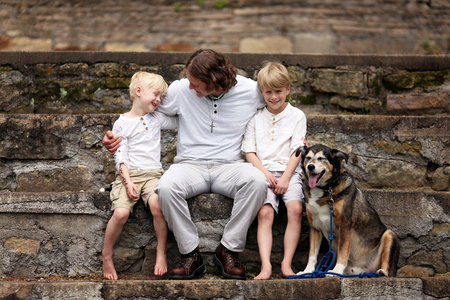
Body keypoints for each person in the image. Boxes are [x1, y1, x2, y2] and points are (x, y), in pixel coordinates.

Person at [103, 49, 268, 280]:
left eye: (195, 83)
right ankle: (190, 254)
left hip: (230, 165)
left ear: (214, 81)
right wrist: (113, 138)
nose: (189, 87)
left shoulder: (251, 91)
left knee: (258, 182)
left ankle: (228, 250)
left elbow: (277, 107)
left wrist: (295, 138)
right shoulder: (181, 89)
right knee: (166, 188)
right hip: (189, 165)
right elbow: (141, 111)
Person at [102, 71, 177, 280]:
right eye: (155, 94)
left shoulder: (157, 118)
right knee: (121, 214)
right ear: (138, 91)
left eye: (161, 96)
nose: (159, 100)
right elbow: (120, 157)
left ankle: (161, 251)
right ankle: (107, 254)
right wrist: (127, 183)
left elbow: (180, 119)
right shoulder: (121, 123)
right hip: (129, 174)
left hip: (153, 175)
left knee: (158, 205)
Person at [241, 62, 307, 280]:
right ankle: (266, 266)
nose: (274, 96)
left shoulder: (297, 116)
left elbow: (298, 149)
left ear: (288, 89)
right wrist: (264, 174)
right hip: (262, 173)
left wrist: (286, 178)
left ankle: (286, 264)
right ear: (262, 92)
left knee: (296, 209)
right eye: (268, 92)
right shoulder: (255, 118)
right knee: (265, 213)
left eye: (278, 91)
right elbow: (249, 152)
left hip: (290, 172)